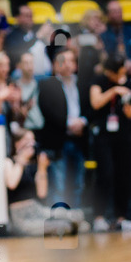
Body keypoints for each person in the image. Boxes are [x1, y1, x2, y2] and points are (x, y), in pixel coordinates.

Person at [88, 54, 131, 231]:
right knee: (105, 174)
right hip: (103, 135)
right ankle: (99, 217)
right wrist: (114, 91)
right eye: (115, 73)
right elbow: (95, 103)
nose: (119, 76)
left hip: (124, 135)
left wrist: (127, 103)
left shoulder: (129, 83)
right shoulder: (99, 81)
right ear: (108, 72)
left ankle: (122, 217)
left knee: (124, 176)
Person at [4, 128, 85, 236]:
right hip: (20, 217)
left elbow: (42, 193)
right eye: (27, 140)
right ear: (17, 143)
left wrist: (42, 168)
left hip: (37, 209)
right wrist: (21, 160)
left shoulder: (33, 165)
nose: (32, 143)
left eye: (33, 140)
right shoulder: (9, 162)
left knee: (77, 215)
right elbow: (11, 183)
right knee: (65, 226)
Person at [36, 49, 88, 209]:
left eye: (71, 61)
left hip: (80, 139)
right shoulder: (47, 84)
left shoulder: (81, 83)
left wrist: (83, 122)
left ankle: (76, 217)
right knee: (59, 183)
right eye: (63, 61)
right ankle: (58, 218)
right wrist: (69, 124)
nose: (67, 65)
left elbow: (89, 108)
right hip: (58, 140)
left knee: (78, 182)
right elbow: (48, 110)